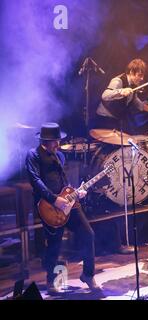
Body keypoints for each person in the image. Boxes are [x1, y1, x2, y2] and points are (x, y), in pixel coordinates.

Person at [25, 123, 99, 294]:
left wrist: (76, 192)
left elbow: (63, 182)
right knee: (54, 244)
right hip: (48, 206)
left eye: (58, 140)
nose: (58, 144)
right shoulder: (33, 155)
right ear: (44, 141)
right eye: (54, 141)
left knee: (88, 234)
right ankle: (51, 282)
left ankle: (88, 274)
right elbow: (36, 182)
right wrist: (54, 200)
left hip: (67, 202)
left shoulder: (59, 156)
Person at [95, 58, 148, 135]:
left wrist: (146, 108)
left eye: (143, 76)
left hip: (116, 118)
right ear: (131, 72)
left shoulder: (133, 84)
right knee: (113, 145)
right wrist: (121, 91)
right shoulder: (118, 81)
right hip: (104, 118)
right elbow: (105, 95)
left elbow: (135, 100)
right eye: (139, 75)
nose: (142, 78)